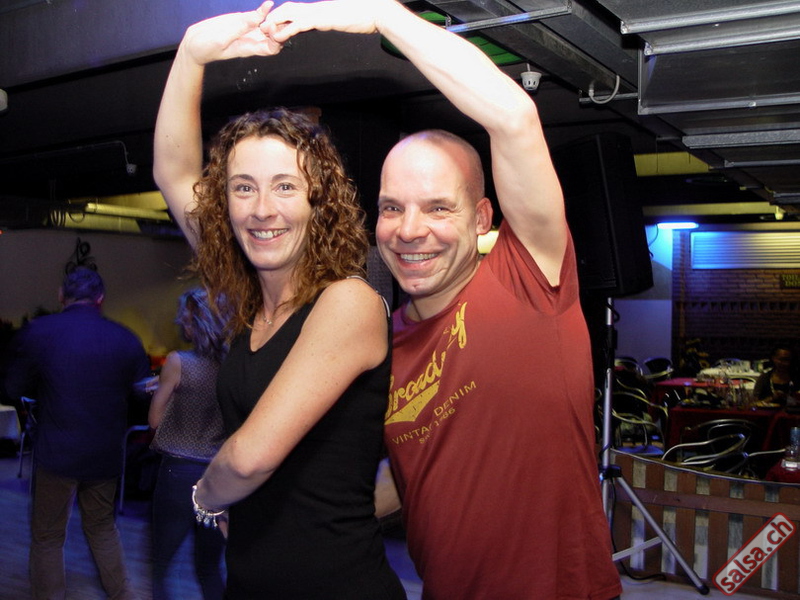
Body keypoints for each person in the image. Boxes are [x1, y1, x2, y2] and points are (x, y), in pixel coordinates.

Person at [264, 2, 622, 598]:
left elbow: (514, 116)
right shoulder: (380, 342)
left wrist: (383, 14)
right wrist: (286, 520)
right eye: (392, 208)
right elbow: (414, 477)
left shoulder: (530, 279)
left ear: (481, 218)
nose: (409, 230)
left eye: (437, 208)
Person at [152, 5, 406, 598]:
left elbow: (248, 459)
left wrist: (205, 497)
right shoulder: (249, 297)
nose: (262, 209)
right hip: (250, 582)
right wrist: (191, 52)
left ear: (319, 201)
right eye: (244, 188)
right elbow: (172, 171)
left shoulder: (349, 302)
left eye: (285, 186)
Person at [4, 266, 150, 600]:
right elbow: (142, 397)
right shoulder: (125, 338)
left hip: (56, 452)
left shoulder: (39, 331)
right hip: (105, 454)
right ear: (100, 298)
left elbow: (14, 387)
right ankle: (122, 594)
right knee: (102, 529)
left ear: (61, 295)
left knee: (48, 536)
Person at [148, 288, 228, 600]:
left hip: (178, 473)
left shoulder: (179, 362)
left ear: (197, 323)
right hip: (218, 475)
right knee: (208, 568)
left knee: (161, 565)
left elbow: (155, 421)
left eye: (185, 318)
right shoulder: (234, 366)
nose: (180, 322)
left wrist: (161, 391)